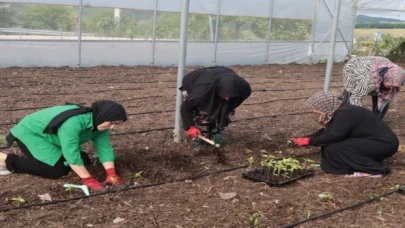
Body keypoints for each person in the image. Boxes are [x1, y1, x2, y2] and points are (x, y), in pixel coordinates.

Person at [0, 100, 128, 192]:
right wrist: (88, 179)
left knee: (83, 162)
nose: (112, 127)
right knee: (56, 170)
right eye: (111, 122)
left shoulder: (100, 124)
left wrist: (111, 173)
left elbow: (104, 148)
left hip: (54, 137)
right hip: (31, 133)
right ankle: (5, 159)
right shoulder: (73, 123)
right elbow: (71, 153)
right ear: (103, 116)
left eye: (116, 123)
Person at [293, 91, 398, 176]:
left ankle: (375, 169)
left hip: (383, 144)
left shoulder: (345, 113)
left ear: (328, 105)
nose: (315, 111)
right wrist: (308, 138)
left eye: (318, 108)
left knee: (336, 149)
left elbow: (333, 136)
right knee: (332, 147)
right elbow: (328, 131)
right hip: (377, 142)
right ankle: (366, 162)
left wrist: (310, 141)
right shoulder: (343, 111)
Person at [179, 66, 251, 150]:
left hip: (221, 78)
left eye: (230, 96)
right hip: (197, 83)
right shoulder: (200, 93)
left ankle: (216, 136)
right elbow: (185, 108)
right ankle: (202, 140)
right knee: (203, 115)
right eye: (225, 95)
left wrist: (225, 112)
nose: (227, 98)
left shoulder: (243, 88)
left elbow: (233, 103)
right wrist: (190, 126)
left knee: (224, 116)